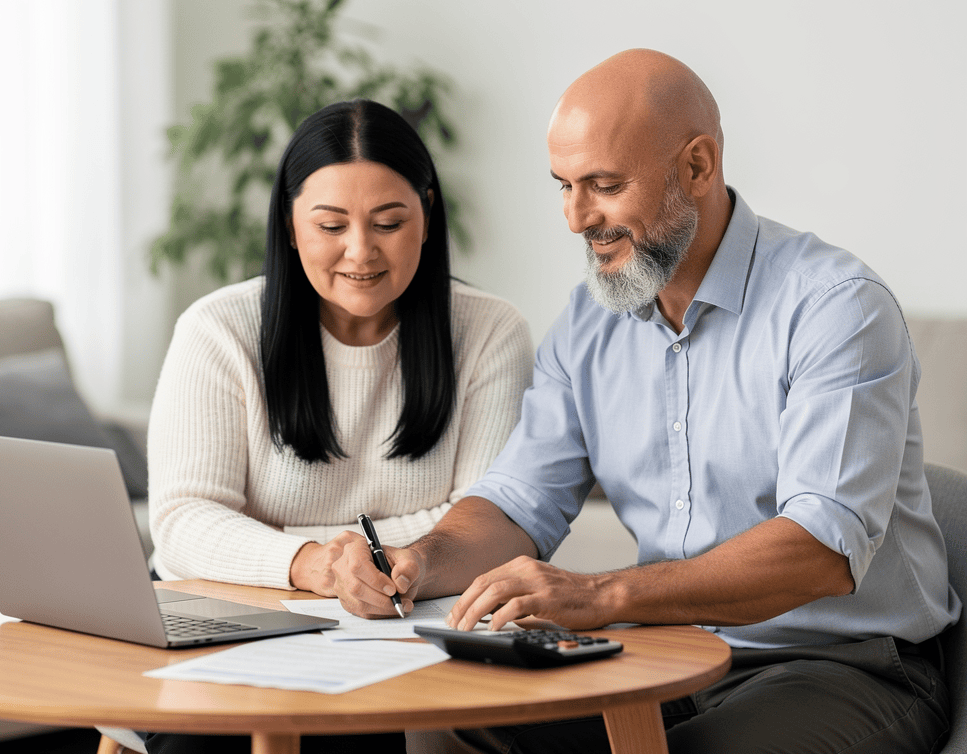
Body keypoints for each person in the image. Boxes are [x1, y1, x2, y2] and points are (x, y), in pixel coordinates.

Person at [335, 51, 961, 754]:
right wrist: (418, 558)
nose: (576, 217)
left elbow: (820, 548)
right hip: (661, 659)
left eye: (604, 184)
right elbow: (517, 501)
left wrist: (603, 594)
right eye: (564, 186)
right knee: (454, 709)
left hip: (839, 667)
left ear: (697, 166)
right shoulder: (587, 322)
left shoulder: (836, 308)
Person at [144, 98, 533, 754]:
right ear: (291, 226)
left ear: (427, 218)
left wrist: (293, 548)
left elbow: (492, 519)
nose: (361, 252)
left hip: (384, 626)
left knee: (356, 737)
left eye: (388, 222)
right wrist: (319, 565)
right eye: (331, 225)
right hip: (223, 617)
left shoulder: (490, 332)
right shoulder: (218, 330)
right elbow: (183, 522)